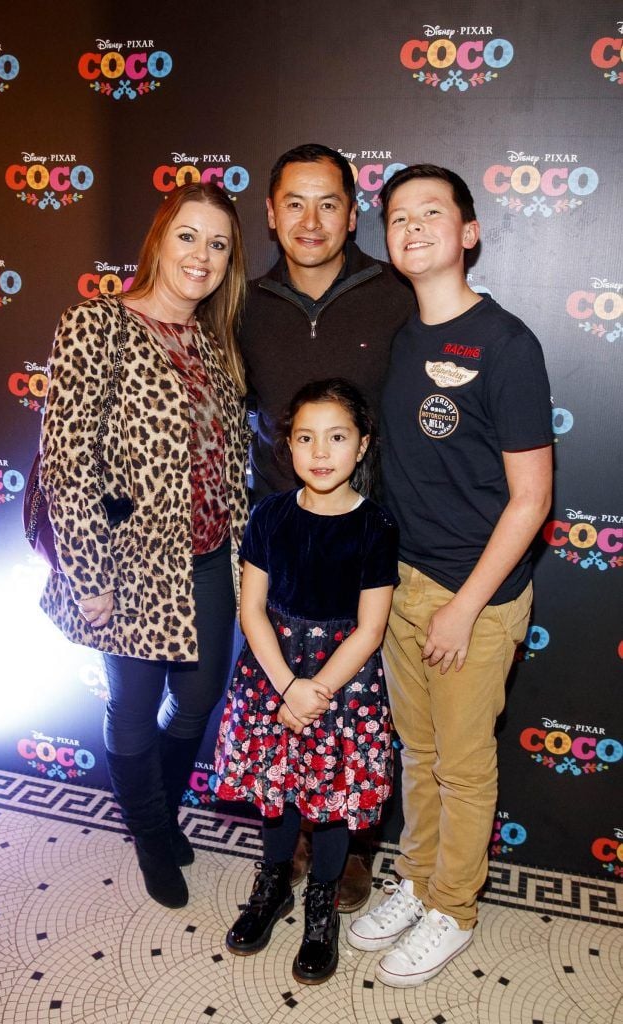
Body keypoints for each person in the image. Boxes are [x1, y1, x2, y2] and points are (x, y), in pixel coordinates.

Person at [348, 165, 553, 986]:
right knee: (416, 751)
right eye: (398, 216)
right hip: (401, 582)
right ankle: (417, 879)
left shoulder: (506, 343)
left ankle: (455, 909)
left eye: (433, 213)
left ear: (468, 232)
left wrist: (465, 608)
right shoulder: (400, 337)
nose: (413, 226)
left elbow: (532, 497)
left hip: (476, 595)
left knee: (464, 767)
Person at [39, 183, 250, 909]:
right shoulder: (96, 324)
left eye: (218, 244)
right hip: (127, 563)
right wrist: (90, 576)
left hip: (211, 555)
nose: (202, 256)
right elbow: (68, 460)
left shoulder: (215, 340)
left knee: (197, 702)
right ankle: (154, 835)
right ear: (159, 239)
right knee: (133, 705)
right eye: (188, 236)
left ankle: (155, 810)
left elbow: (225, 458)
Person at [239, 141, 415, 911]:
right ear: (271, 214)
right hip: (282, 540)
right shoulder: (240, 303)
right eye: (295, 204)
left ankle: (348, 849)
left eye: (329, 203)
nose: (312, 221)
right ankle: (290, 846)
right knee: (286, 704)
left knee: (358, 706)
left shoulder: (396, 295)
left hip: (370, 539)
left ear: (354, 212)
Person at [214, 378, 399, 984]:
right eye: (306, 438)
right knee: (279, 787)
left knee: (330, 796)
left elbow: (370, 629)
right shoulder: (268, 515)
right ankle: (273, 886)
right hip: (272, 673)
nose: (321, 452)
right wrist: (287, 685)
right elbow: (251, 608)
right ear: (287, 448)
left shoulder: (375, 526)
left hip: (342, 683)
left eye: (337, 437)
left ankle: (322, 907)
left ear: (362, 446)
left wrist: (315, 689)